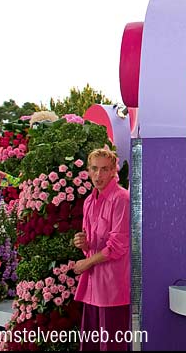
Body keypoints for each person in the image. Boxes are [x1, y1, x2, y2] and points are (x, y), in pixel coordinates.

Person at [73, 148, 130, 351]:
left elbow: (117, 246)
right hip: (92, 286)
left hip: (113, 288)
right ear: (88, 170)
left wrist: (85, 263)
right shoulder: (88, 201)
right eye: (95, 169)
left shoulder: (121, 198)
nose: (99, 175)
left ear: (114, 170)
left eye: (104, 169)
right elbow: (91, 246)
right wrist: (83, 243)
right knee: (90, 345)